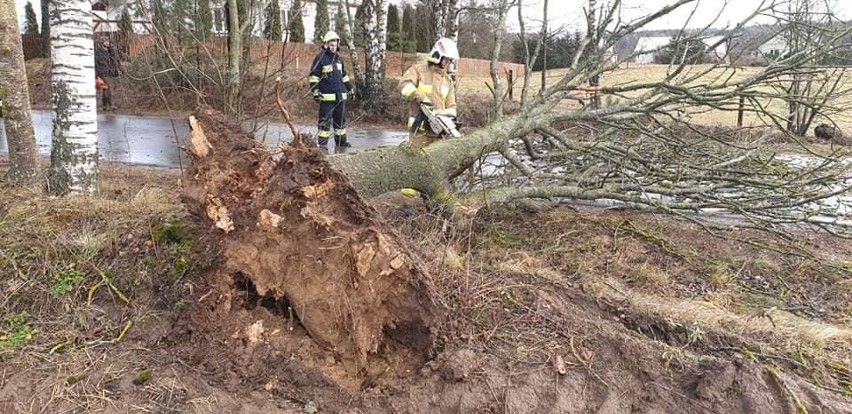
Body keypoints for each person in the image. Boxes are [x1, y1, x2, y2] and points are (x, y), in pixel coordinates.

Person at [398, 37, 459, 148]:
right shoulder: (418, 70)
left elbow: (452, 108)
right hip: (419, 130)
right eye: (446, 59)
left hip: (439, 132)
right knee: (416, 161)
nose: (448, 63)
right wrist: (421, 97)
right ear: (437, 56)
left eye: (450, 60)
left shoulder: (447, 80)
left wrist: (441, 114)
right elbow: (404, 85)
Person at [308, 31, 353, 150]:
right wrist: (315, 92)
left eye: (335, 45)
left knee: (340, 123)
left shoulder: (339, 59)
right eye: (331, 45)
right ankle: (322, 145)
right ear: (326, 44)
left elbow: (344, 76)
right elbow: (314, 76)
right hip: (326, 98)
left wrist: (350, 88)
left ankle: (341, 143)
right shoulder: (321, 58)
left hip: (340, 97)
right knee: (324, 123)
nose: (333, 47)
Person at [94, 38, 120, 111]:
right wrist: (96, 74)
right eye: (106, 41)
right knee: (108, 88)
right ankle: (110, 104)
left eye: (108, 41)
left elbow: (113, 59)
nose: (107, 43)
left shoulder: (109, 51)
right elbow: (96, 63)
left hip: (108, 72)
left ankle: (104, 105)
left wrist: (111, 48)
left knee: (105, 89)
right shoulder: (98, 52)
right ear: (102, 43)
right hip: (102, 72)